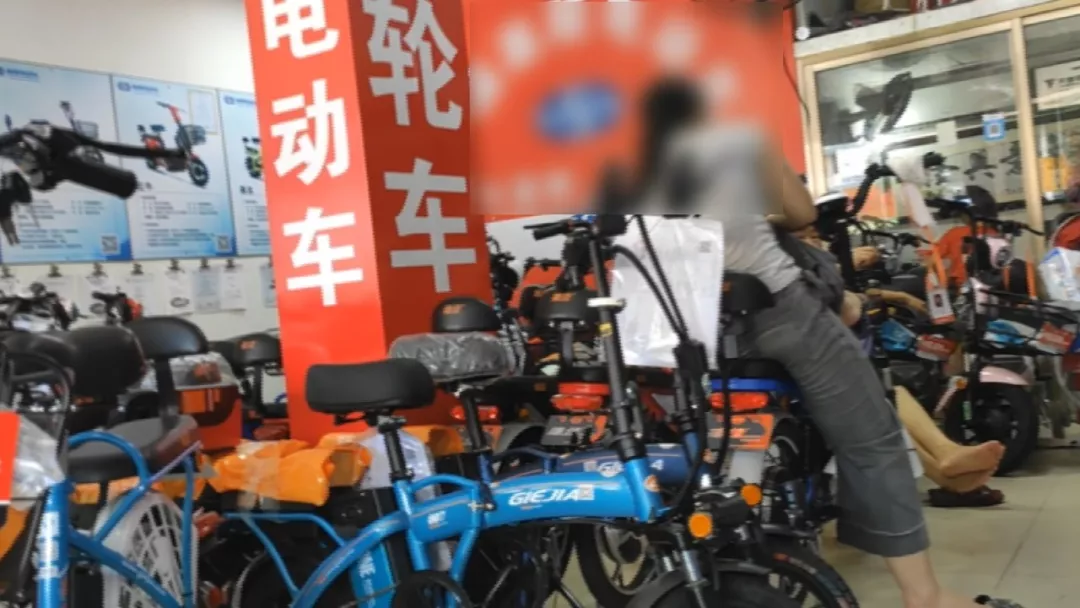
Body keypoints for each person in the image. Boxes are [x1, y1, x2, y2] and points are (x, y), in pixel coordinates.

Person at [635, 77, 1022, 608]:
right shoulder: (739, 140)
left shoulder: (638, 170)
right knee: (873, 439)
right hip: (779, 315)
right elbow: (802, 215)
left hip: (698, 335)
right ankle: (924, 594)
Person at [796, 227, 1007, 507]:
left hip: (816, 368)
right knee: (879, 397)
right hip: (806, 377)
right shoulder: (782, 269)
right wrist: (842, 266)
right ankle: (948, 466)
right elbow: (843, 307)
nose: (812, 242)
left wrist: (891, 296)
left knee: (889, 394)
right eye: (802, 238)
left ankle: (949, 466)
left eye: (815, 236)